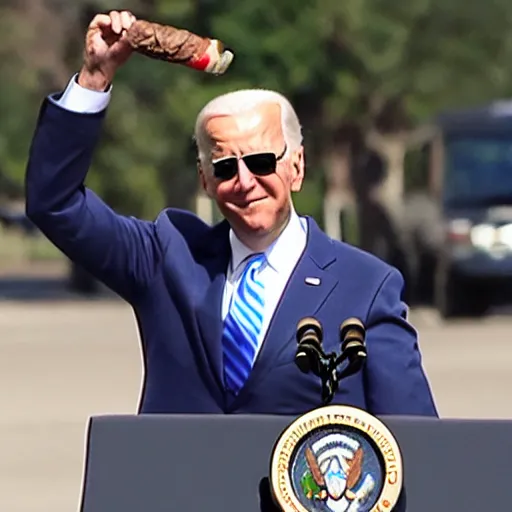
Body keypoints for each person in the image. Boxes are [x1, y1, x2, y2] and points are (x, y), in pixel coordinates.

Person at [25, 10, 437, 416]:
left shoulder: (365, 285)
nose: (244, 181)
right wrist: (94, 79)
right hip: (179, 483)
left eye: (260, 162)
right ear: (205, 179)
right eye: (224, 167)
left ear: (296, 167)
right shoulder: (167, 259)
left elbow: (415, 438)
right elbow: (55, 202)